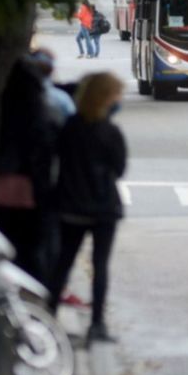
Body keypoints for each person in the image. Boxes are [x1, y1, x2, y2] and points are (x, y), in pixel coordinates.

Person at [47, 72, 127, 343]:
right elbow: (119, 168)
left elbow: (56, 158)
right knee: (100, 265)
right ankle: (97, 325)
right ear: (106, 98)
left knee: (64, 262)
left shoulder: (69, 126)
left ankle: (49, 315)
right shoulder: (110, 132)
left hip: (70, 204)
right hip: (104, 207)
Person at [0, 57, 54, 281]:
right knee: (29, 250)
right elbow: (41, 153)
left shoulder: (1, 109)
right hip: (26, 191)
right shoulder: (37, 112)